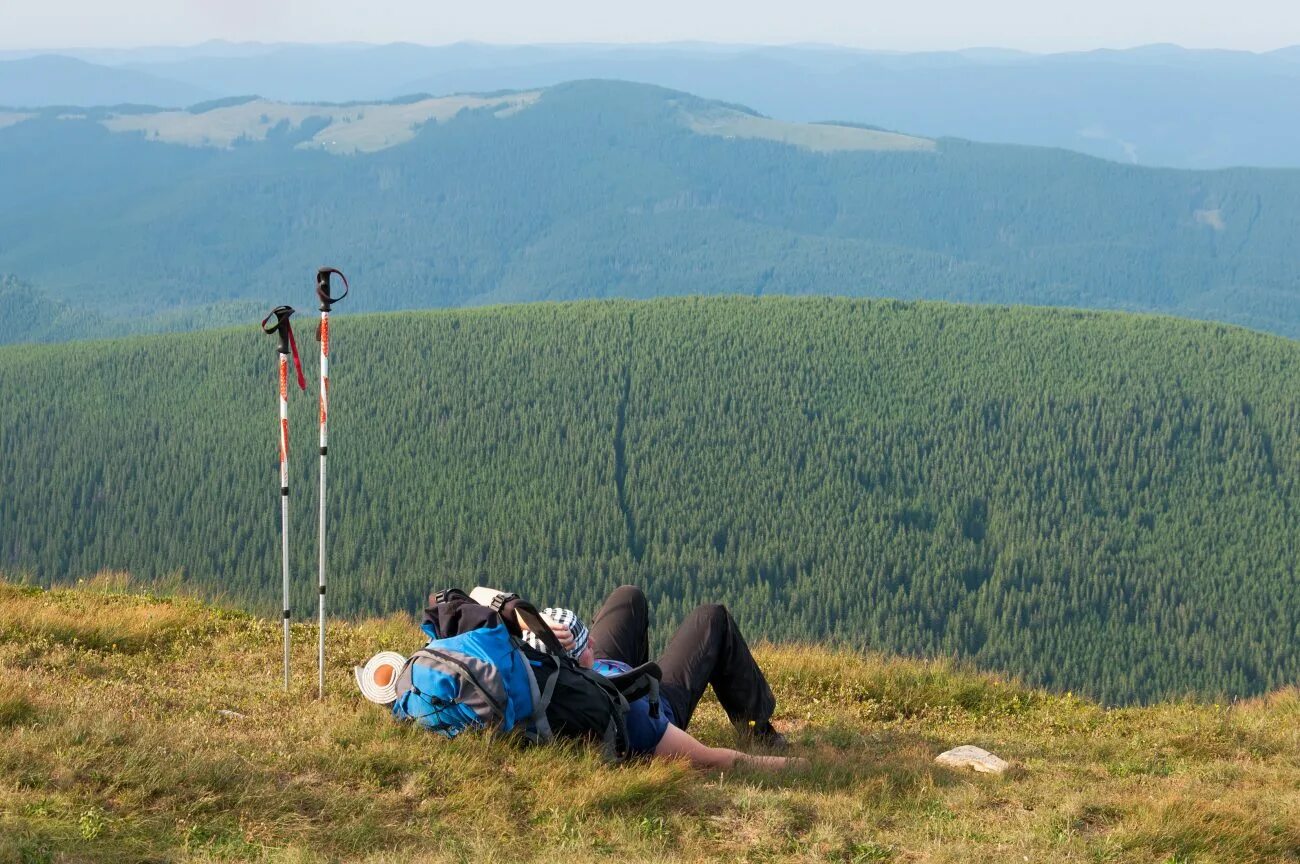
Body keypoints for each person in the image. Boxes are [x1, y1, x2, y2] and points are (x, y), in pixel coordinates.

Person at [519, 586, 799, 771]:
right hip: (650, 700)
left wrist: (523, 622)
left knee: (628, 597)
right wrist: (798, 767)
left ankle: (615, 663)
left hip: (601, 678)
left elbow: (479, 598)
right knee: (712, 618)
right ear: (577, 663)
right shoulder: (635, 716)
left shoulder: (530, 675)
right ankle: (758, 730)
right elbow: (711, 760)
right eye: (585, 644)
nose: (592, 639)